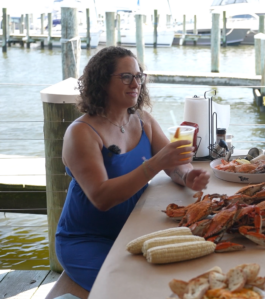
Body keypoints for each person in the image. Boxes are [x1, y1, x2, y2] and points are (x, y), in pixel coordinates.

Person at [56, 46, 210, 291]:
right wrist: (155, 164)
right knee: (134, 290)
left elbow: (175, 165)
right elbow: (102, 198)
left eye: (138, 76)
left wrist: (187, 175)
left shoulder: (142, 120)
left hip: (136, 231)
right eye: (126, 77)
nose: (135, 83)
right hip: (87, 240)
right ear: (102, 82)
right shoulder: (81, 132)